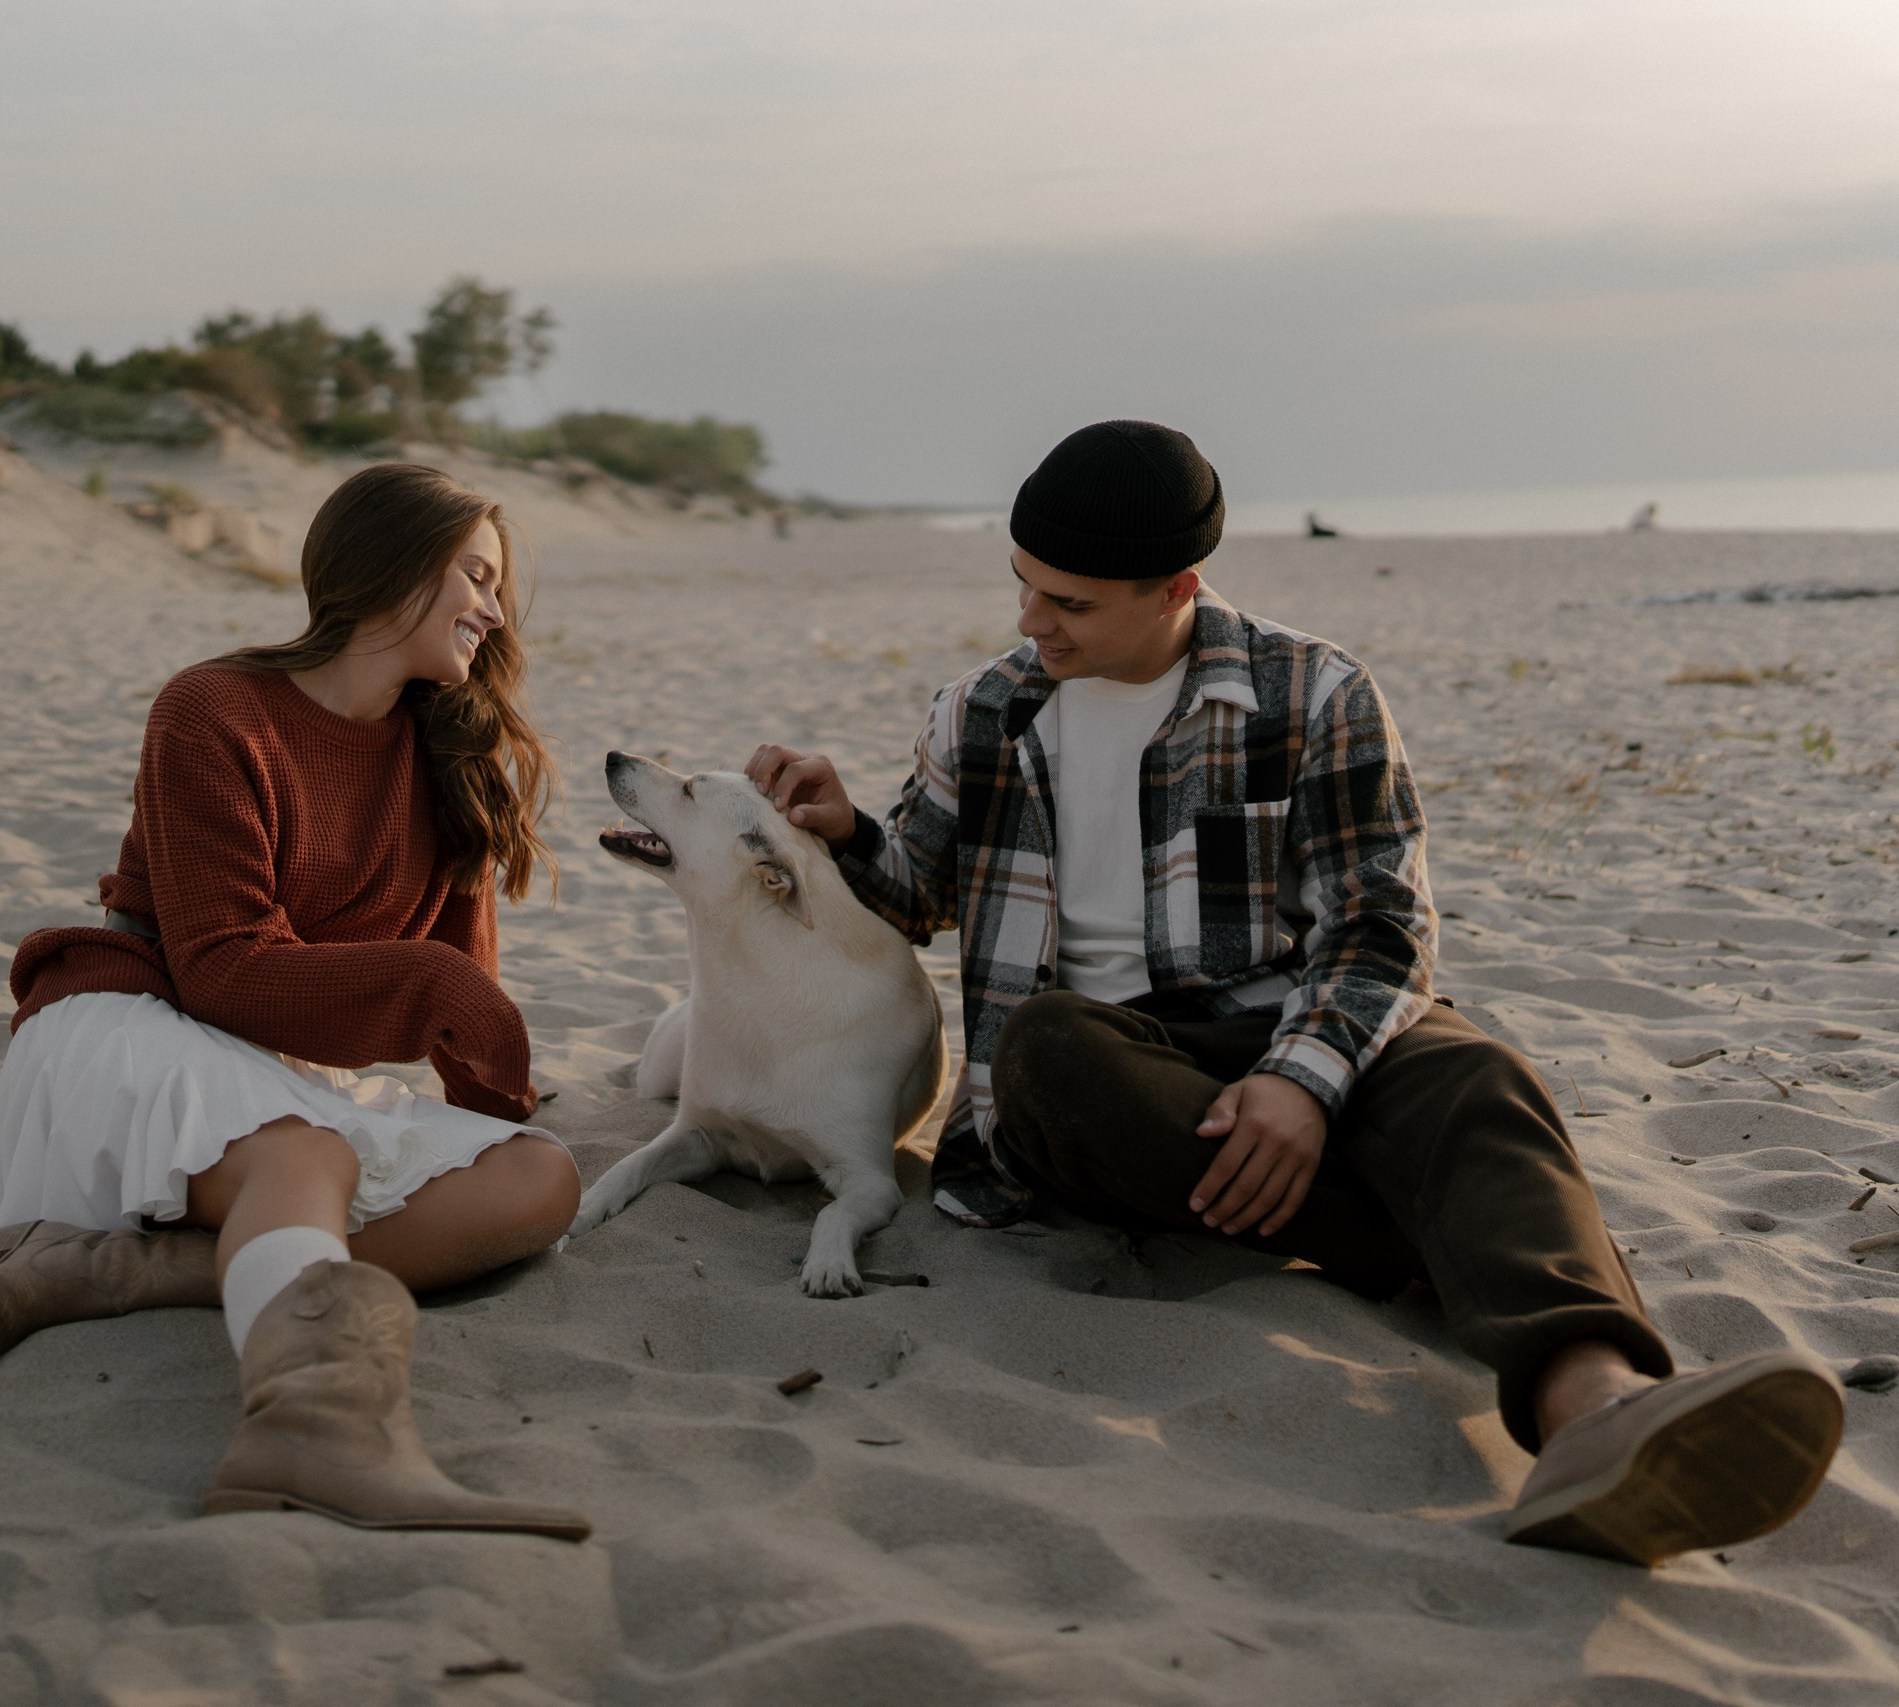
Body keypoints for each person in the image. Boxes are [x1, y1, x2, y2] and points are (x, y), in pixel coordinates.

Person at [746, 420, 1843, 1567]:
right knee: (1045, 1051)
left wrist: (1300, 1083)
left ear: (1177, 587)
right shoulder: (980, 712)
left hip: (1285, 1022)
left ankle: (1596, 1408)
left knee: (1473, 1070)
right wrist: (846, 832)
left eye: (1069, 602)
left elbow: (1381, 923)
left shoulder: (1313, 692)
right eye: (1022, 585)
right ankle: (1435, 1231)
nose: (1032, 621)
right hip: (1105, 1073)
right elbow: (919, 895)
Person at [0, 463, 588, 1540]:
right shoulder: (215, 708)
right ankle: (315, 1431)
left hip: (283, 1067)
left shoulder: (451, 758)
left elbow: (465, 1009)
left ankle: (101, 1269)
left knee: (538, 1180)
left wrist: (492, 1113)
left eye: (497, 585)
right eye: (475, 575)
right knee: (307, 1159)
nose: (494, 609)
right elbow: (223, 968)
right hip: (135, 1017)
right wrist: (433, 987)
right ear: (389, 565)